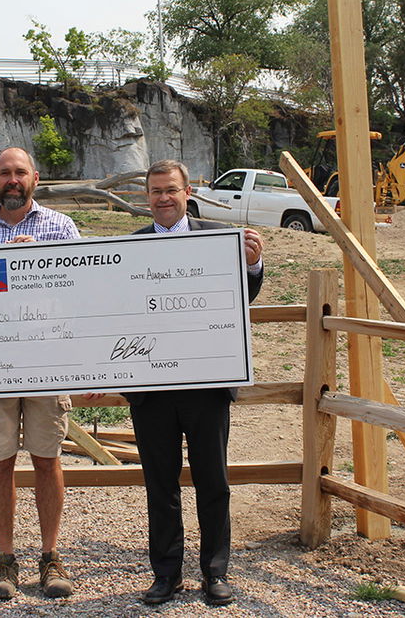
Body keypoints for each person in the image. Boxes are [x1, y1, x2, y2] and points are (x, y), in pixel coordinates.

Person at [125, 159, 264, 606]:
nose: (163, 198)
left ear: (188, 192)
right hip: (151, 391)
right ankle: (166, 575)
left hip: (206, 385)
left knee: (213, 482)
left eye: (170, 190)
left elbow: (243, 298)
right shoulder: (130, 248)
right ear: (146, 198)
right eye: (154, 191)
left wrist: (253, 264)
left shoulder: (218, 239)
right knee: (159, 485)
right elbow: (114, 314)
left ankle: (214, 573)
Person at [0, 147, 81, 600]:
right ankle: (5, 559)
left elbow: (80, 294)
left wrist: (39, 261)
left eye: (20, 172)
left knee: (47, 459)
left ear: (36, 177)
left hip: (47, 360)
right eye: (5, 173)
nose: (13, 179)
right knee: (0, 460)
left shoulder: (61, 228)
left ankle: (50, 556)